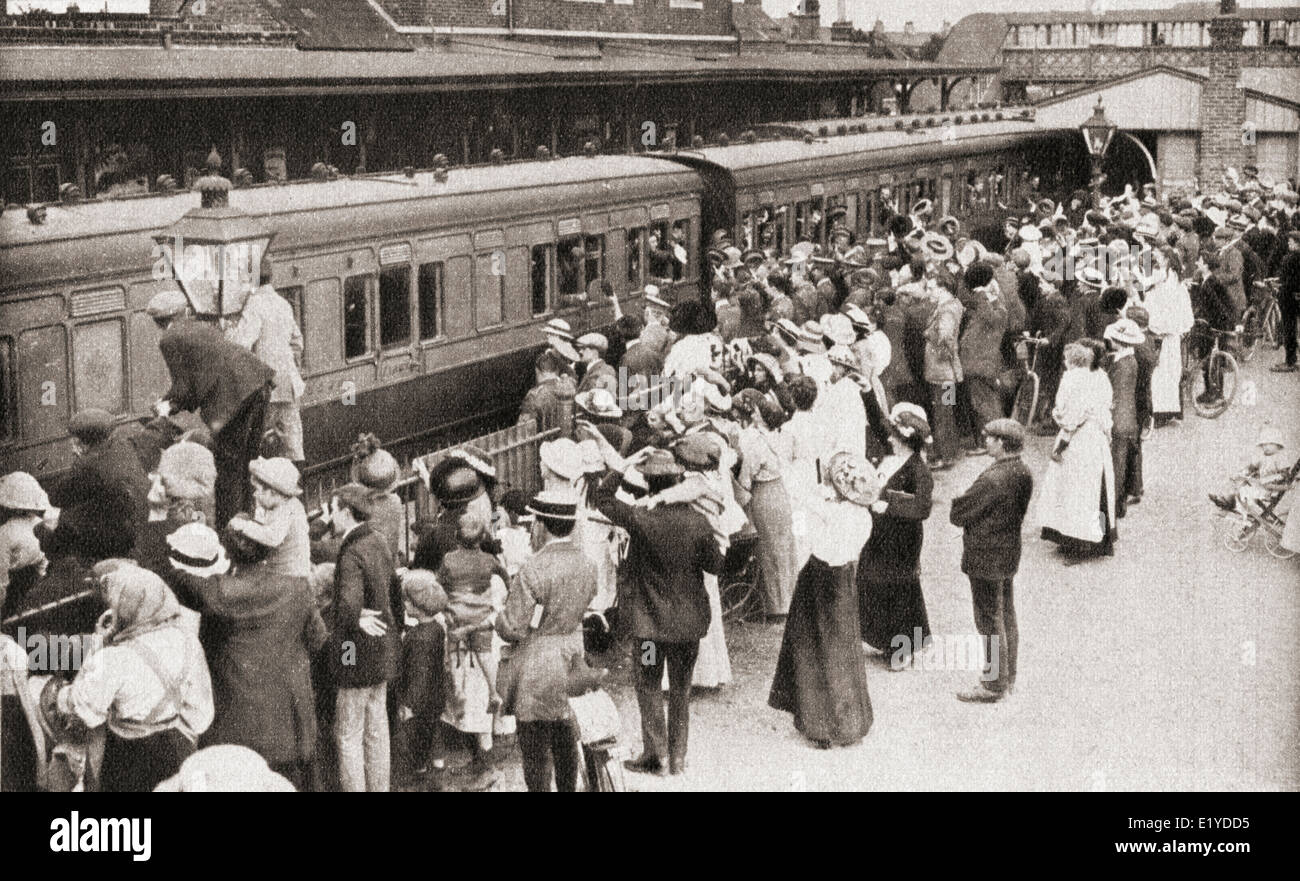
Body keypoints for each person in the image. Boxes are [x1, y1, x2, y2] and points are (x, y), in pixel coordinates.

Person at [163, 522, 326, 790]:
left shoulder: (218, 592)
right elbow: (320, 642)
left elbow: (181, 578)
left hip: (238, 718)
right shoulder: (298, 588)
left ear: (227, 553)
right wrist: (350, 658)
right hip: (290, 718)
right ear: (269, 551)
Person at [592, 450, 724, 776]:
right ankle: (678, 758)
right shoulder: (698, 522)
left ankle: (657, 755)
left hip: (650, 631)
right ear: (678, 480)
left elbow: (603, 498)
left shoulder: (640, 517)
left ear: (649, 482)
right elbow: (715, 565)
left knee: (649, 683)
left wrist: (624, 465)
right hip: (687, 629)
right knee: (681, 688)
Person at [54, 562, 214, 791]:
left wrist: (97, 645)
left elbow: (87, 712)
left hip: (127, 756)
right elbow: (201, 716)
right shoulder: (188, 641)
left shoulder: (113, 659)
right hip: (177, 749)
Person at [769, 451, 878, 748]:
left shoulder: (832, 511)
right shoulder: (863, 517)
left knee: (812, 647)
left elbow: (802, 503)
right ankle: (851, 720)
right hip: (843, 579)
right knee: (842, 648)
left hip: (819, 577)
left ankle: (821, 724)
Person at [496, 490, 597, 792]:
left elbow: (514, 626)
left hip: (538, 662)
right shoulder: (587, 563)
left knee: (536, 745)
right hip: (574, 655)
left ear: (540, 524)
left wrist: (497, 617)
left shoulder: (533, 568)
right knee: (566, 734)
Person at [148, 290, 275, 527]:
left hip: (232, 402)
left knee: (228, 470)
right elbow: (198, 380)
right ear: (182, 311)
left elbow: (184, 387)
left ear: (158, 320)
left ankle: (229, 532)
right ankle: (247, 524)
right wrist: (173, 402)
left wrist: (166, 406)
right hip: (258, 385)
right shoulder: (199, 327)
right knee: (248, 463)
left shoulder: (169, 339)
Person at [950, 414, 1034, 703]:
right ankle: (1008, 676)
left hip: (985, 556)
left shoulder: (992, 478)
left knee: (988, 620)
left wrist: (959, 497)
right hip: (1008, 552)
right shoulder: (1022, 472)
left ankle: (993, 683)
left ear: (1001, 443)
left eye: (989, 437)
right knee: (1006, 613)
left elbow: (958, 514)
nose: (985, 440)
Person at [325, 483, 399, 792]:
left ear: (345, 512)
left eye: (332, 510)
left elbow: (348, 606)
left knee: (348, 733)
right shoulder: (378, 540)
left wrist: (351, 616)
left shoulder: (350, 552)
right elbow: (394, 590)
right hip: (381, 647)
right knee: (377, 729)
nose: (330, 517)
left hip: (351, 648)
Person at [857, 404, 933, 665]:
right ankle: (882, 639)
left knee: (899, 589)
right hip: (880, 534)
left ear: (904, 441)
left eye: (894, 436)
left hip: (902, 539)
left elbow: (923, 507)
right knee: (871, 580)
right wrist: (867, 391)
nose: (888, 438)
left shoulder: (917, 470)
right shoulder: (891, 458)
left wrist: (889, 506)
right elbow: (879, 423)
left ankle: (901, 651)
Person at [1039, 340, 1117, 562]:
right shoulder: (1101, 376)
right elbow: (1106, 406)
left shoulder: (1071, 379)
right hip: (1097, 437)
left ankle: (1075, 543)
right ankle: (1099, 538)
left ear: (1072, 361)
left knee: (1073, 492)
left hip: (1077, 440)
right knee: (1096, 489)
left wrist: (1059, 418)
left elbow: (1066, 412)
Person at [43, 409, 151, 564]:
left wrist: (81, 459)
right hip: (139, 523)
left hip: (119, 539)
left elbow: (56, 498)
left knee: (59, 522)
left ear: (82, 443)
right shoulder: (124, 447)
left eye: (75, 441)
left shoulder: (89, 466)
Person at [226, 261, 307, 465]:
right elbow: (297, 341)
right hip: (288, 385)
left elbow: (242, 343)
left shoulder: (254, 304)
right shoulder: (283, 303)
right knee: (293, 446)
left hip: (265, 387)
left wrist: (227, 330)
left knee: (255, 445)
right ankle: (295, 488)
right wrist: (287, 364)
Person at [734, 389, 796, 619]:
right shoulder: (782, 437)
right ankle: (788, 599)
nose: (753, 415)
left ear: (763, 417)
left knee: (767, 550)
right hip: (780, 492)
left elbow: (746, 478)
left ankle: (775, 606)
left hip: (764, 495)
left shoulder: (756, 443)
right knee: (784, 547)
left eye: (757, 413)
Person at [227, 457, 310, 577]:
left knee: (241, 577)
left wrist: (243, 526)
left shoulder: (288, 510)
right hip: (280, 569)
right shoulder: (281, 504)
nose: (254, 494)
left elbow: (272, 537)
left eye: (257, 490)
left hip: (288, 575)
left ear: (272, 492)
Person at [923, 280, 964, 469]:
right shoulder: (953, 305)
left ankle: (944, 455)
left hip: (941, 373)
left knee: (942, 414)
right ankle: (951, 452)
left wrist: (938, 347)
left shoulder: (946, 310)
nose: (930, 292)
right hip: (947, 374)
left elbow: (946, 335)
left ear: (944, 290)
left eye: (933, 288)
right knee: (947, 412)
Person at [0, 471, 50, 619]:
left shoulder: (5, 533)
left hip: (9, 588)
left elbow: (1, 581)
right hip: (32, 586)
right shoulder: (41, 525)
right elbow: (43, 568)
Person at [518, 350, 574, 432]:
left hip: (545, 440)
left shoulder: (533, 395)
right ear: (557, 369)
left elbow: (522, 429)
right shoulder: (569, 385)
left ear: (537, 371)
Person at [1273, 229, 1300, 373]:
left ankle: (1290, 361)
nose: (1288, 243)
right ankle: (1293, 359)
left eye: (1291, 241)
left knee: (1289, 329)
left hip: (1288, 298)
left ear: (1296, 243)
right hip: (1297, 296)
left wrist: (1279, 284)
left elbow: (1285, 279)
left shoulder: (1290, 258)